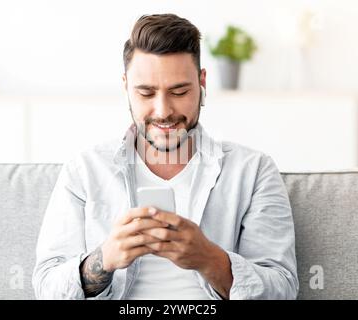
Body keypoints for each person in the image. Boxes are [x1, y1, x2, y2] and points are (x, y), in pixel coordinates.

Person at [32, 13, 298, 300]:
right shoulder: (84, 170)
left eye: (179, 91)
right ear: (126, 88)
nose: (163, 111)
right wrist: (104, 259)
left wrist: (209, 259)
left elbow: (282, 289)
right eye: (146, 93)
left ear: (202, 83)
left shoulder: (253, 171)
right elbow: (47, 287)